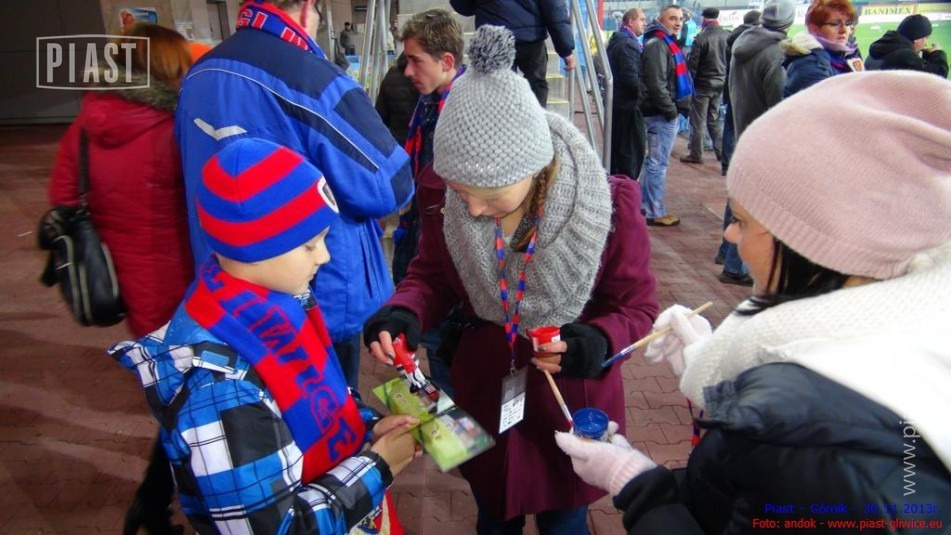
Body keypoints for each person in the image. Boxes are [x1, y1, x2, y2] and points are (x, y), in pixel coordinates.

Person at [556, 71, 951, 534]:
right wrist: (714, 371)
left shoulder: (809, 438)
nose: (729, 234)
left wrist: (636, 484)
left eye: (743, 220)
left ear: (810, 241)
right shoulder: (894, 344)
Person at [364, 26, 658, 535]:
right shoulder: (449, 202)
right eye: (462, 193)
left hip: (568, 399)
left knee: (564, 521)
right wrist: (404, 311)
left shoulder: (608, 207)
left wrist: (597, 341)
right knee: (494, 515)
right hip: (487, 391)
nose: (474, 210)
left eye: (490, 196)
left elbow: (637, 308)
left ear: (535, 169)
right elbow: (431, 275)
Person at [111, 138, 422, 534]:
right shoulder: (223, 388)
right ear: (253, 248)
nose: (324, 256)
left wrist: (366, 426)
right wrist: (378, 466)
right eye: (309, 245)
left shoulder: (274, 301)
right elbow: (273, 527)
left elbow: (318, 394)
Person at [175, 0, 414, 390]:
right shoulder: (312, 78)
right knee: (328, 405)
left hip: (226, 281)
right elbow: (390, 184)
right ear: (306, 9)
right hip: (314, 292)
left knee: (253, 396)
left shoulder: (199, 74)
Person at [49, 23, 194, 340]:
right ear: (167, 68)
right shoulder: (175, 127)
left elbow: (64, 195)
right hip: (183, 259)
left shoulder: (84, 125)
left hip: (120, 261)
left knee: (151, 335)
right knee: (188, 339)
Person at [449, 0, 576, 106]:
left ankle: (502, 126)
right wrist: (565, 49)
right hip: (531, 38)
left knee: (498, 89)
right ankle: (537, 124)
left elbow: (463, 6)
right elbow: (554, 8)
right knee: (536, 86)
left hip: (494, 39)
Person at [640, 4, 693, 227]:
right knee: (657, 164)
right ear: (661, 20)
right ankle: (653, 210)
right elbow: (656, 83)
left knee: (654, 163)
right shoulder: (658, 44)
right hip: (660, 113)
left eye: (680, 19)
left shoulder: (665, 43)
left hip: (662, 111)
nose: (678, 22)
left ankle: (647, 206)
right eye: (672, 18)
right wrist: (671, 111)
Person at [729, 0, 794, 143]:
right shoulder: (777, 54)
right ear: (789, 23)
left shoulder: (742, 42)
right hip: (765, 142)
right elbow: (779, 109)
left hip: (744, 135)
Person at [782, 0, 863, 97]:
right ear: (813, 29)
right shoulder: (809, 65)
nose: (844, 30)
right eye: (835, 24)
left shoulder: (849, 53)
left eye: (847, 23)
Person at [681, 7, 728, 165]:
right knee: (714, 119)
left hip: (703, 85)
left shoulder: (701, 37)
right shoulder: (726, 35)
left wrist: (691, 82)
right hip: (720, 83)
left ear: (703, 18)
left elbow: (692, 64)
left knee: (698, 121)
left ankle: (696, 154)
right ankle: (721, 152)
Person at [607, 8, 648, 181]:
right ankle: (625, 191)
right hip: (627, 107)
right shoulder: (628, 44)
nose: (645, 23)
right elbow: (630, 79)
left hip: (619, 104)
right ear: (631, 21)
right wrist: (645, 98)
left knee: (619, 154)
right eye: (642, 19)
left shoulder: (619, 40)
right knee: (629, 156)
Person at [866, 13, 948, 77]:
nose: (926, 43)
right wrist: (937, 53)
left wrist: (926, 56)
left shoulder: (883, 48)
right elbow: (936, 77)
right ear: (917, 39)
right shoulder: (904, 56)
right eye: (926, 37)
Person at [375, 52, 420, 144]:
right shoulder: (428, 77)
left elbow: (380, 116)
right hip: (422, 143)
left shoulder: (391, 76)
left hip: (397, 143)